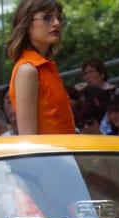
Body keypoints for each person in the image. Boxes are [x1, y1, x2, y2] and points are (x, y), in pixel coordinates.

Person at [6, 0, 75, 135]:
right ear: (26, 23)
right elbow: (28, 137)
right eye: (47, 17)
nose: (56, 23)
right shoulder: (28, 70)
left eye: (58, 17)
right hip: (51, 154)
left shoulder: (43, 66)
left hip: (64, 153)